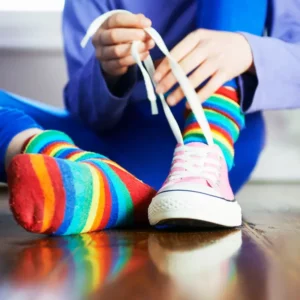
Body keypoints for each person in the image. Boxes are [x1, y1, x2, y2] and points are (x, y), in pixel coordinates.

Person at [0, 0, 299, 234]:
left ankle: (202, 142)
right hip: (111, 146)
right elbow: (86, 115)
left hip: (218, 148)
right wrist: (107, 71)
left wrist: (249, 51)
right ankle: (89, 175)